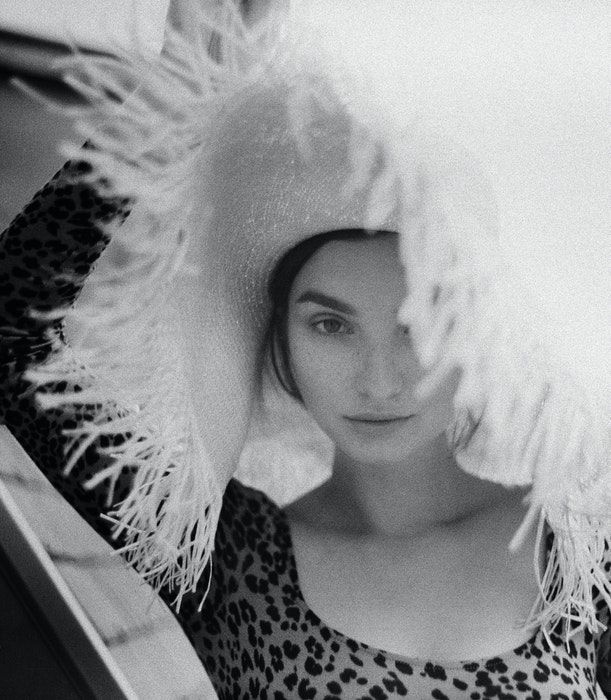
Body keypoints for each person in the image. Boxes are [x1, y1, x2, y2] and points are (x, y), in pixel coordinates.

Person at [1, 1, 609, 697]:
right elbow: (11, 332)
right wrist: (172, 93)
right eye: (330, 325)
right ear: (278, 341)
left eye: (419, 324)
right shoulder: (227, 558)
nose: (378, 379)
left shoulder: (581, 553)